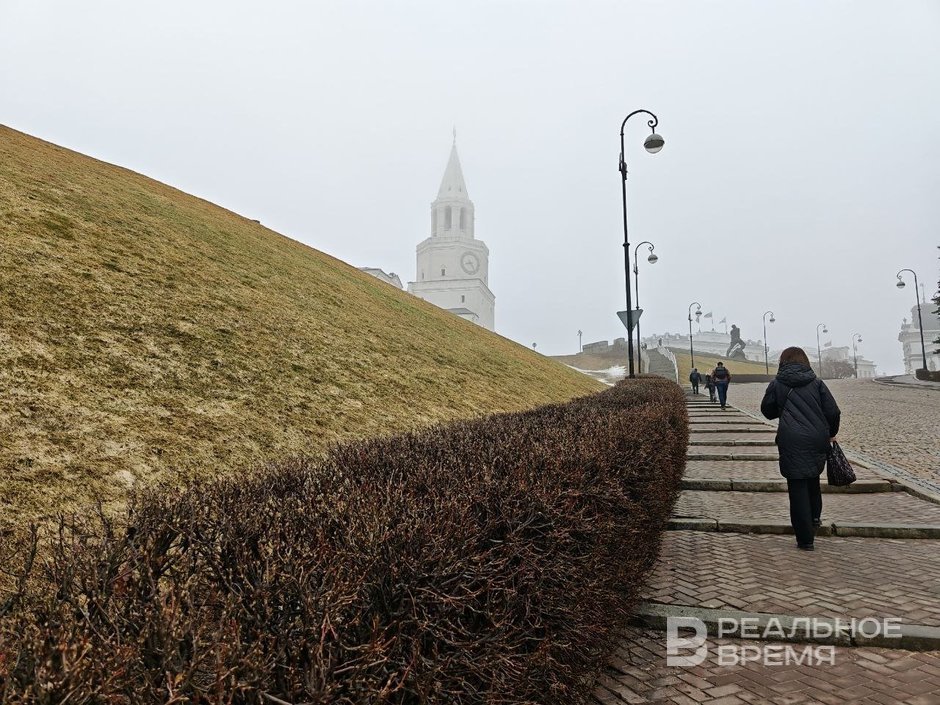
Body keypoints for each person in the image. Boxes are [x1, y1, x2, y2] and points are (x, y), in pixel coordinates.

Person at [760, 346, 841, 551]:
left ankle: (805, 539)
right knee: (813, 479)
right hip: (816, 438)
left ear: (782, 362)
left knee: (796, 487)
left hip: (791, 439)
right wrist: (831, 432)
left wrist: (782, 407)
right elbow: (833, 411)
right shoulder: (817, 383)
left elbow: (767, 411)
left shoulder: (777, 383)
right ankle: (814, 519)